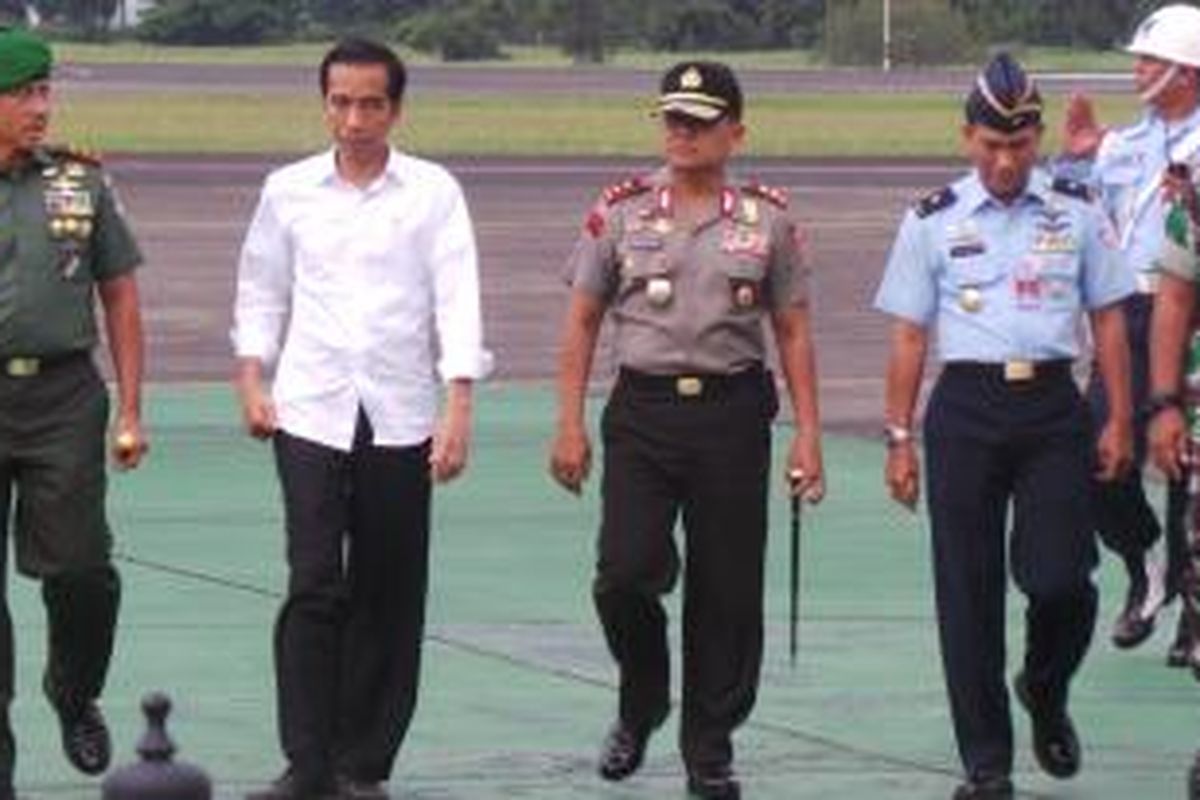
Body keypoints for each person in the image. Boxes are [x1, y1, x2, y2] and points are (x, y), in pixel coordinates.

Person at [549, 61, 824, 800]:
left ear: (734, 131)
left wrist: (808, 434)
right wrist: (568, 423)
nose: (683, 134)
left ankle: (710, 748)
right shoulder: (622, 211)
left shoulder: (767, 220)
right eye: (673, 119)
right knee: (625, 571)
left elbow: (793, 330)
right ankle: (643, 697)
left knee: (727, 591)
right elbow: (581, 320)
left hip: (733, 415)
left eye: (700, 122)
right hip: (643, 413)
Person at [233, 38, 491, 799]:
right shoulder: (287, 190)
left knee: (387, 589)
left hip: (400, 416)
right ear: (324, 105)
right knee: (314, 583)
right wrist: (252, 376)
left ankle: (363, 763)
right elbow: (261, 288)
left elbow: (458, 298)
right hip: (309, 411)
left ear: (396, 109)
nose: (354, 118)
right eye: (340, 102)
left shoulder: (434, 192)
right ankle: (306, 763)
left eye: (370, 103)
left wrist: (459, 404)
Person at [875, 54, 1134, 800]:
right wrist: (899, 438)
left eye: (1019, 146)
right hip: (965, 411)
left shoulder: (1077, 209)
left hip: (1054, 410)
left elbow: (1109, 318)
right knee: (968, 593)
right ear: (967, 137)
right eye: (992, 145)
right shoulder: (931, 220)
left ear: (1037, 138)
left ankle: (1045, 687)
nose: (1006, 161)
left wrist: (1115, 414)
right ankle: (985, 767)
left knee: (1063, 582)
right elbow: (908, 337)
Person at [0, 26, 146, 796]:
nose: (41, 107)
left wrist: (132, 407)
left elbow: (119, 292)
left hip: (63, 396)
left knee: (83, 569)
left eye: (45, 91)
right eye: (24, 93)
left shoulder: (80, 183)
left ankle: (72, 686)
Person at [1057, 3, 1200, 656]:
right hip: (1129, 312)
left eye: (1150, 60)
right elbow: (1071, 206)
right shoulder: (1125, 144)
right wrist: (1075, 154)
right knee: (1097, 457)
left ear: (1187, 71)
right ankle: (1144, 562)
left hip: (1190, 309)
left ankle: (1186, 606)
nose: (1137, 70)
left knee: (1186, 469)